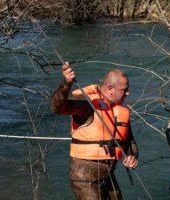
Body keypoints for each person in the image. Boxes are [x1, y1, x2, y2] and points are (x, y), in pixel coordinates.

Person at [51, 62, 138, 200]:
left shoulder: (121, 109)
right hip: (84, 177)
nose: (128, 93)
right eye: (124, 90)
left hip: (108, 175)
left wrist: (132, 156)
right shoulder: (87, 104)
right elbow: (57, 108)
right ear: (110, 88)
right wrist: (66, 84)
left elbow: (129, 141)